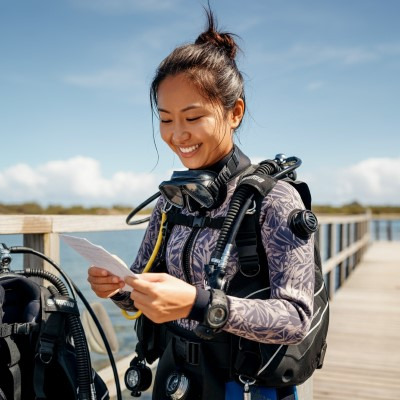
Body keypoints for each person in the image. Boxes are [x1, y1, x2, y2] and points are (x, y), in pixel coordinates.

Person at [88, 7, 315, 400]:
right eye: (166, 119)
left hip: (244, 384)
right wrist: (118, 288)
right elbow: (141, 286)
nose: (178, 135)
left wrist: (198, 303)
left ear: (235, 112)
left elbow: (296, 319)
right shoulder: (170, 201)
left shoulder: (275, 199)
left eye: (192, 117)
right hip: (175, 375)